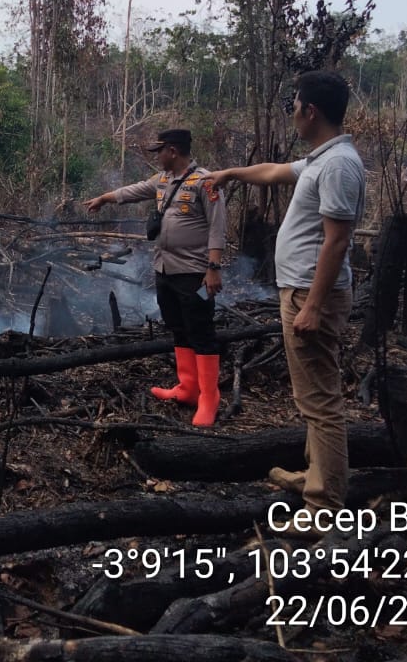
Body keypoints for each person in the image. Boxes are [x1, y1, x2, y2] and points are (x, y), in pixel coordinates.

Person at [204, 71, 365, 518]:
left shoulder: (337, 166)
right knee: (312, 395)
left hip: (313, 296)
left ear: (310, 111)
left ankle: (324, 504)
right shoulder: (322, 158)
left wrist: (312, 305)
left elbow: (337, 241)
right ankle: (316, 474)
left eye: (294, 104)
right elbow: (275, 172)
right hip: (300, 289)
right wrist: (231, 172)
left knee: (320, 400)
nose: (291, 111)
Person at [85, 128, 227, 426]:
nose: (157, 157)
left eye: (159, 151)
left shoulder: (205, 181)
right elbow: (134, 191)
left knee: (201, 331)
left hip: (196, 274)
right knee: (177, 327)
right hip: (165, 270)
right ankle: (188, 388)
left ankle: (209, 398)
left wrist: (213, 269)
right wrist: (104, 198)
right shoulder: (163, 180)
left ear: (172, 151)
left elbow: (217, 227)